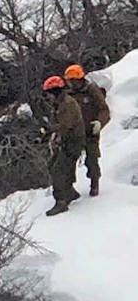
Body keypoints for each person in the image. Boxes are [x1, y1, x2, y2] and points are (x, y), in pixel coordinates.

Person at [64, 64, 111, 197]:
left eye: (73, 80)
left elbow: (104, 109)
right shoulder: (67, 94)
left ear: (80, 79)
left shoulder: (92, 90)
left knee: (92, 159)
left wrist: (99, 123)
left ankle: (94, 183)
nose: (71, 83)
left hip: (90, 131)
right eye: (69, 80)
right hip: (74, 133)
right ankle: (69, 188)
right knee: (67, 161)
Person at [42, 75, 86, 217]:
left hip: (74, 141)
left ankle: (61, 201)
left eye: (48, 93)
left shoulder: (68, 104)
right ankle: (70, 192)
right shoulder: (59, 103)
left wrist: (49, 131)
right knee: (53, 164)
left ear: (55, 92)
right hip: (67, 140)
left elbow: (65, 126)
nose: (47, 96)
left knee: (59, 169)